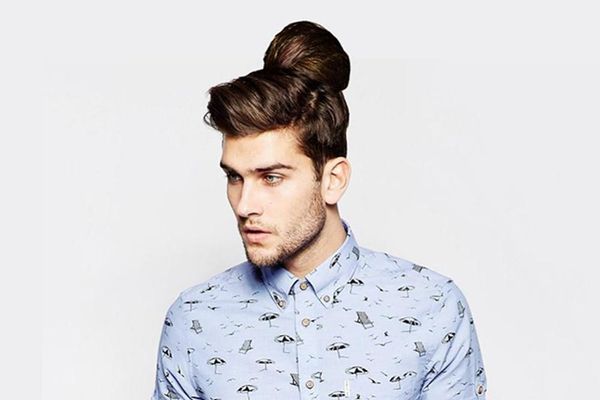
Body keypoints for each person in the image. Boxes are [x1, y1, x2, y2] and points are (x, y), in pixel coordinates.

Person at [151, 20, 488, 400]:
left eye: (271, 178)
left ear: (333, 180)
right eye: (234, 177)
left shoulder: (432, 306)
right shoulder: (194, 320)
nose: (245, 205)